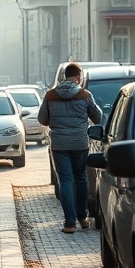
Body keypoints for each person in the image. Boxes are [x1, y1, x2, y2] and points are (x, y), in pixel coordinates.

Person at [38, 62, 102, 234]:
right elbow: (98, 117)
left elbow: (42, 119)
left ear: (65, 76)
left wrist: (55, 120)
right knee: (81, 178)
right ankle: (83, 218)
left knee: (65, 181)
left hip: (59, 144)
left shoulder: (50, 95)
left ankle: (69, 223)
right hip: (79, 143)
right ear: (78, 77)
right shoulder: (85, 94)